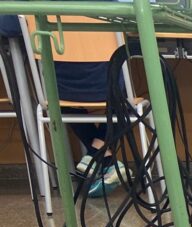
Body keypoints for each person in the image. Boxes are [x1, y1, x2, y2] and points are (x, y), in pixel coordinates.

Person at [0, 12, 127, 197]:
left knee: (60, 103)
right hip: (106, 85)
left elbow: (8, 25)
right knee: (127, 97)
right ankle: (100, 155)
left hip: (61, 89)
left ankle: (100, 157)